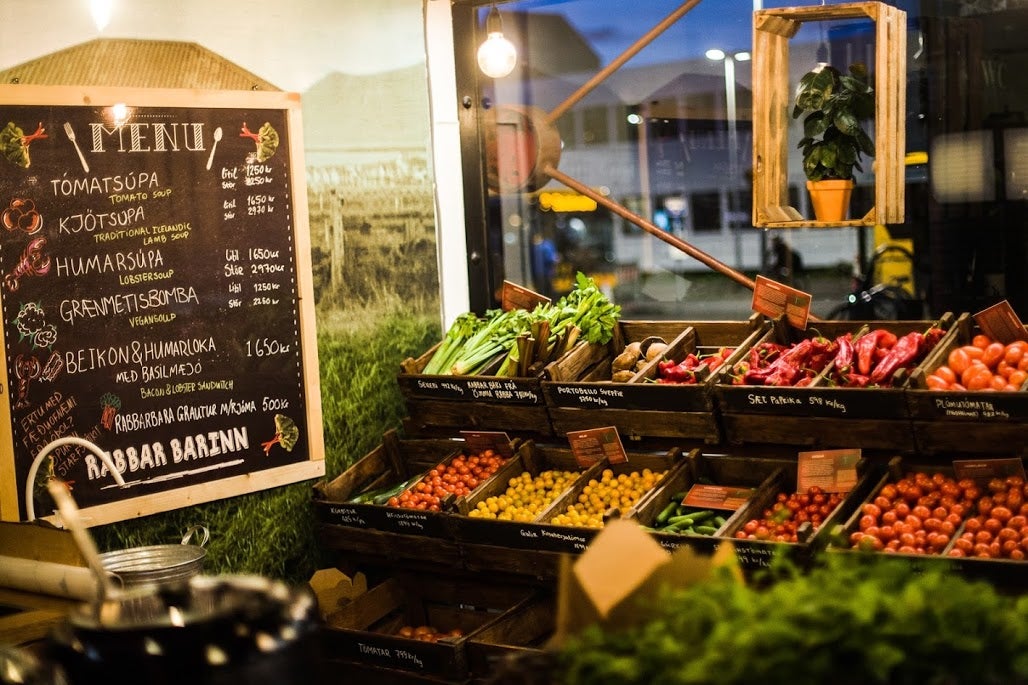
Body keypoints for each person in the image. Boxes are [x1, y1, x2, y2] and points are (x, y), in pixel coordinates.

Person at [530, 230, 559, 299]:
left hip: (545, 273)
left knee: (546, 290)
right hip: (540, 273)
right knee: (543, 290)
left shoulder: (545, 245)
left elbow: (551, 258)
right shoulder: (540, 246)